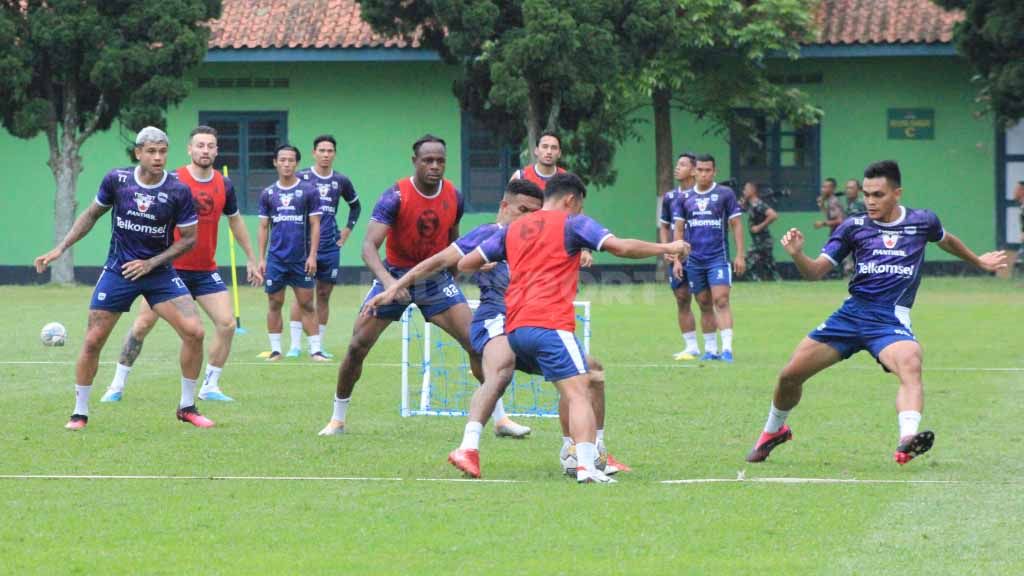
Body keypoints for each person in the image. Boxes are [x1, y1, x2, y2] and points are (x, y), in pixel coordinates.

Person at [363, 179, 629, 478]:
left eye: (535, 211)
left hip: (535, 321)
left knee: (591, 373)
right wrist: (392, 287)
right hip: (496, 318)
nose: (529, 217)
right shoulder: (490, 235)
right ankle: (468, 447)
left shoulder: (546, 232)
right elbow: (436, 262)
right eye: (522, 210)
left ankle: (593, 453)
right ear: (505, 207)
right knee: (501, 367)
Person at [745, 160, 1006, 465]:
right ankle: (773, 431)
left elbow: (945, 240)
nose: (870, 201)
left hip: (889, 320)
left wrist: (979, 261)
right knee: (789, 376)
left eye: (878, 194)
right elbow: (815, 273)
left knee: (910, 363)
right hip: (851, 316)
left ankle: (906, 439)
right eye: (867, 194)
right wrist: (798, 255)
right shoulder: (853, 227)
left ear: (897, 193)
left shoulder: (922, 222)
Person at [457, 173, 690, 483]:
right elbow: (620, 247)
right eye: (579, 206)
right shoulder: (573, 223)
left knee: (590, 372)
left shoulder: (514, 229)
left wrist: (488, 264)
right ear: (571, 200)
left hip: (516, 330)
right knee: (579, 392)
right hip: (550, 324)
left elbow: (465, 264)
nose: (580, 211)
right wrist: (667, 246)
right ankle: (586, 466)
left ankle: (576, 453)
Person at [318, 135, 530, 437]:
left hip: (435, 281)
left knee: (476, 344)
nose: (434, 166)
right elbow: (368, 247)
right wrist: (390, 284)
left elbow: (454, 244)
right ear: (415, 161)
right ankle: (337, 418)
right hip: (394, 276)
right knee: (356, 346)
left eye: (440, 161)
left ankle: (499, 419)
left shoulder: (454, 197)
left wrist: (465, 268)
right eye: (428, 160)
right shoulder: (395, 196)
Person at [34, 127, 214, 430]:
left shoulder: (178, 190)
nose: (158, 157)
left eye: (162, 151)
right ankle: (79, 412)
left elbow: (189, 239)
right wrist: (61, 247)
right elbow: (91, 214)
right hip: (118, 271)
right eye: (152, 151)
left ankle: (187, 406)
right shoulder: (117, 180)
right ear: (138, 153)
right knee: (93, 341)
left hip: (158, 272)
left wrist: (151, 263)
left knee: (195, 332)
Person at [99, 126, 262, 404]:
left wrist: (251, 257)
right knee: (141, 326)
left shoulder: (225, 184)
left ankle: (210, 385)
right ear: (189, 149)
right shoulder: (172, 180)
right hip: (167, 271)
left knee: (226, 324)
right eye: (200, 145)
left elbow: (235, 220)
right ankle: (117, 383)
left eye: (211, 146)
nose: (205, 150)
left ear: (217, 150)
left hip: (205, 270)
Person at [285, 135, 361, 358]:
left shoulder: (341, 181)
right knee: (302, 294)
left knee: (324, 295)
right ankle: (295, 345)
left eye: (330, 151)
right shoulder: (302, 178)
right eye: (322, 150)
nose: (326, 154)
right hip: (304, 247)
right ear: (314, 153)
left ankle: (318, 345)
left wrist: (347, 230)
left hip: (330, 246)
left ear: (334, 154)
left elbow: (355, 207)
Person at [674, 154, 745, 362]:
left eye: (708, 170)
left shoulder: (725, 194)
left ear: (715, 172)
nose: (704, 174)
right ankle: (711, 350)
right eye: (701, 170)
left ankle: (727, 349)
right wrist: (677, 260)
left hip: (718, 258)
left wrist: (740, 255)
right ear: (694, 171)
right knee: (704, 303)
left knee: (721, 300)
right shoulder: (684, 198)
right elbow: (678, 231)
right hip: (694, 260)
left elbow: (736, 224)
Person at [258, 145, 324, 361]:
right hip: (276, 260)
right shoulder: (268, 193)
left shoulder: (308, 191)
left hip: (300, 259)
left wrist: (312, 255)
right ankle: (276, 350)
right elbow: (263, 227)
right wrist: (261, 259)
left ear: (296, 163)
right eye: (282, 160)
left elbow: (315, 225)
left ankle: (316, 350)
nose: (286, 164)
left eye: (291, 160)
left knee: (307, 303)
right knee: (274, 303)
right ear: (275, 162)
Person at [510, 131, 593, 268]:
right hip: (526, 247)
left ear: (559, 153)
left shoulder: (568, 180)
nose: (549, 151)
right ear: (536, 151)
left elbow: (579, 216)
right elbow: (507, 213)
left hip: (559, 248)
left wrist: (585, 249)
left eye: (553, 148)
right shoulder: (520, 177)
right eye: (545, 146)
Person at [660, 152, 702, 359]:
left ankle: (715, 346)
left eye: (683, 165)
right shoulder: (670, 197)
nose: (677, 168)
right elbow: (664, 226)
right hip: (677, 255)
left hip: (701, 255)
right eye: (677, 164)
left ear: (694, 170)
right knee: (682, 298)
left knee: (706, 300)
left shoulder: (702, 196)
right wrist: (666, 248)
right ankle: (691, 346)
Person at [741, 181, 780, 281]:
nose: (743, 191)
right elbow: (741, 208)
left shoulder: (758, 204)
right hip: (759, 241)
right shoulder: (751, 204)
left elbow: (773, 215)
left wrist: (759, 227)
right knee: (769, 267)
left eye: (746, 189)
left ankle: (757, 281)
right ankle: (777, 282)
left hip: (762, 241)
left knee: (746, 262)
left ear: (753, 190)